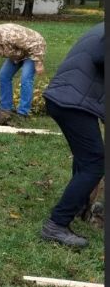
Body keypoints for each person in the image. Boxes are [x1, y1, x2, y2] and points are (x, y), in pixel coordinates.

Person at [38, 23, 104, 248]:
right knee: (94, 163)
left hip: (65, 96)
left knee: (85, 157)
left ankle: (79, 205)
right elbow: (100, 57)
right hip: (73, 102)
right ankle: (56, 225)